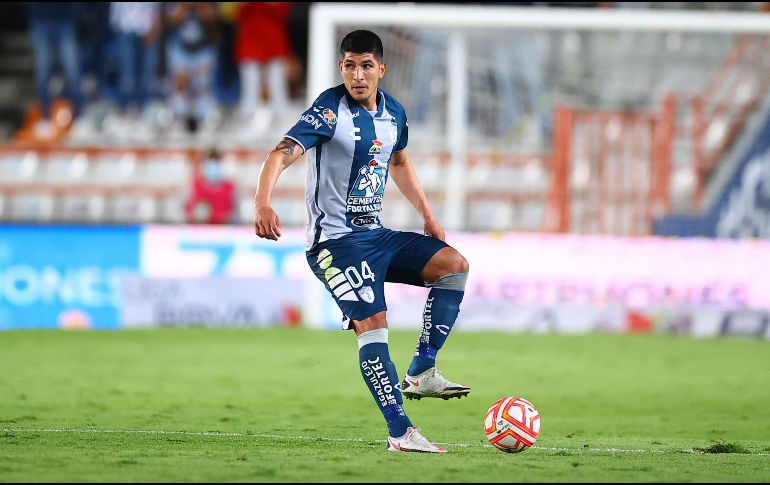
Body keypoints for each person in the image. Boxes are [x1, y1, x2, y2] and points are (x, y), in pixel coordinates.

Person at [253, 30, 470, 453]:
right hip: (334, 245)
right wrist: (262, 201)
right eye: (349, 65)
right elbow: (280, 153)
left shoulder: (395, 114)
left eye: (366, 65)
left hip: (376, 235)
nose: (357, 74)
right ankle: (400, 433)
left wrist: (428, 215)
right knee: (374, 329)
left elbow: (400, 162)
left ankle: (422, 371)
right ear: (341, 68)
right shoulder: (328, 111)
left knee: (453, 266)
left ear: (381, 69)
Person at [185, 148, 236, 224]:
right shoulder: (195, 185)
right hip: (200, 227)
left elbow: (235, 214)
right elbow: (187, 210)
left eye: (216, 164)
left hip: (224, 228)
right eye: (210, 164)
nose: (213, 168)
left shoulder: (230, 187)